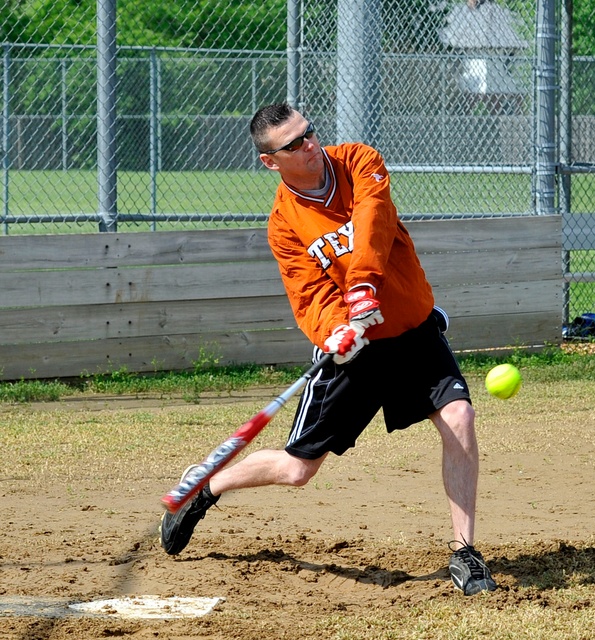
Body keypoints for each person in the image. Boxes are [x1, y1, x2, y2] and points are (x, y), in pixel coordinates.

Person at [159, 102, 496, 596]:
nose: (309, 145)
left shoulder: (359, 161)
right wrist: (335, 330)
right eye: (292, 144)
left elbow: (374, 222)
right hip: (355, 353)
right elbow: (308, 296)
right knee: (298, 470)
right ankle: (206, 488)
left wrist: (361, 287)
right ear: (271, 162)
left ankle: (465, 552)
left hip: (413, 331)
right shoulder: (284, 224)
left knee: (460, 419)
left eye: (309, 133)